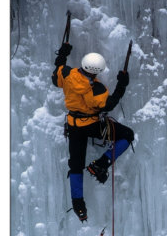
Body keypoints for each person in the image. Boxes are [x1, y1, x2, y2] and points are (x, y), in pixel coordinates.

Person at [52, 42, 134, 222]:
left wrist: (63, 54)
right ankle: (101, 163)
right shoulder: (96, 90)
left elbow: (56, 75)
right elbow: (109, 105)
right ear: (96, 72)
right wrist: (122, 85)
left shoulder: (67, 73)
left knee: (76, 165)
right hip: (91, 124)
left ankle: (78, 205)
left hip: (74, 126)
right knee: (127, 135)